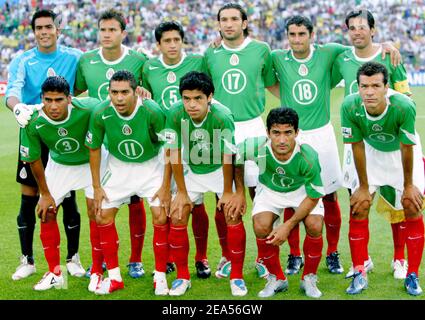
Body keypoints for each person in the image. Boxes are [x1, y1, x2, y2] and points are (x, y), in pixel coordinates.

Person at [270, 15, 400, 276]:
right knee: (289, 197)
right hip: (292, 135)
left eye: (301, 34)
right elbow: (265, 79)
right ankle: (294, 255)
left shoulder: (330, 52)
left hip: (322, 134)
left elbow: (362, 47)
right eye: (292, 35)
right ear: (287, 37)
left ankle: (332, 253)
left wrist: (387, 44)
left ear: (312, 35)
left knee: (330, 196)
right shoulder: (276, 57)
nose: (297, 39)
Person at [332, 9, 417, 279]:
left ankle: (399, 259)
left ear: (373, 29)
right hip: (356, 138)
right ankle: (363, 260)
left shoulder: (389, 56)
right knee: (358, 200)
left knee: (398, 203)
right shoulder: (341, 57)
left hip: (390, 142)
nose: (357, 31)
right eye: (352, 27)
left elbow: (406, 97)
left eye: (362, 26)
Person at [5, 9, 84, 281]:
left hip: (64, 134)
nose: (44, 32)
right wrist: (17, 109)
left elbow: (90, 83)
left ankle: (73, 257)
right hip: (35, 132)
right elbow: (13, 90)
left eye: (48, 26)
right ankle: (27, 260)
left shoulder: (74, 57)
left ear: (58, 29)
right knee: (28, 199)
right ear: (34, 31)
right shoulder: (22, 60)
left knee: (68, 198)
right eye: (38, 28)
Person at [204, 2, 277, 280]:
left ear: (245, 23)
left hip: (253, 127)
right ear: (219, 24)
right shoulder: (210, 53)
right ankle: (227, 255)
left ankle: (263, 255)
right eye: (224, 19)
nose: (229, 24)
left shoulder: (261, 50)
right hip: (220, 128)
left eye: (235, 19)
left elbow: (270, 81)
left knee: (261, 194)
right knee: (221, 196)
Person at [74, 9, 149, 279]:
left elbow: (148, 93)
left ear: (123, 33)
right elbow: (76, 94)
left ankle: (136, 260)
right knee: (96, 200)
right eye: (102, 30)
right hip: (99, 140)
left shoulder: (139, 59)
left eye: (112, 30)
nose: (106, 35)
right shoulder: (86, 60)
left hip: (130, 139)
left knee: (135, 200)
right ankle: (102, 259)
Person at [341, 61, 425, 296]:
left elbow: (407, 147)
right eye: (364, 86)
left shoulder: (403, 106)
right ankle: (360, 271)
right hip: (370, 151)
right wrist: (364, 187)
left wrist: (408, 186)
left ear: (386, 87)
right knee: (359, 206)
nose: (369, 91)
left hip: (401, 153)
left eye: (376, 85)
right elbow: (356, 145)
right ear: (357, 87)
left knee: (411, 205)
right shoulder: (349, 106)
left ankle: (412, 275)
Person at [85, 70, 169, 295]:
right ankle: (114, 278)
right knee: (102, 215)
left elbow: (171, 148)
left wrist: (165, 185)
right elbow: (93, 148)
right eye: (114, 92)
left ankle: (160, 276)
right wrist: (96, 186)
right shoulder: (101, 112)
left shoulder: (152, 111)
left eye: (124, 92)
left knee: (161, 215)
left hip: (151, 166)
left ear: (136, 92)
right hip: (118, 167)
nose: (119, 98)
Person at [232, 107, 326, 298]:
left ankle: (308, 277)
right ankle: (277, 278)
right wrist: (239, 191)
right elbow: (236, 156)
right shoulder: (256, 147)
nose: (282, 140)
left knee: (315, 225)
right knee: (260, 225)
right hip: (270, 190)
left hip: (302, 193)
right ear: (267, 133)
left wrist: (288, 225)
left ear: (297, 133)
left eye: (288, 133)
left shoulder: (308, 157)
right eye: (276, 133)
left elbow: (314, 195)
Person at [142, 20, 211, 278]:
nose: (172, 45)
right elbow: (143, 95)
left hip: (194, 139)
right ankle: (170, 257)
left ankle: (201, 258)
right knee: (167, 201)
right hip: (166, 141)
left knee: (196, 201)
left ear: (183, 41)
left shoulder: (198, 62)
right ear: (158, 44)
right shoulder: (148, 67)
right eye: (166, 41)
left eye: (176, 40)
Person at [19, 76, 100, 291]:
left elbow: (114, 106)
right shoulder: (32, 120)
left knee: (96, 212)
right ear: (42, 100)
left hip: (90, 163)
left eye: (59, 100)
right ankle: (55, 273)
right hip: (60, 165)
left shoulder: (88, 108)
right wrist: (44, 193)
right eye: (48, 100)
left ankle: (98, 271)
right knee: (46, 211)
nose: (53, 106)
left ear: (70, 99)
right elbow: (34, 159)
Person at [163, 71, 240, 296]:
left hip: (218, 168)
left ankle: (236, 276)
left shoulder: (223, 116)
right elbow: (174, 152)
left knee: (232, 213)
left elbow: (228, 156)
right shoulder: (175, 114)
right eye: (186, 98)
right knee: (178, 213)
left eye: (198, 98)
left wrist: (227, 192)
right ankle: (182, 276)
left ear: (210, 97)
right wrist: (182, 193)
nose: (191, 104)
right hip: (192, 168)